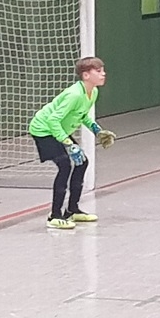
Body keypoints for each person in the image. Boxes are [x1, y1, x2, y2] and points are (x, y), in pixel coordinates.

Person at [28, 57, 116, 230]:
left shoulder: (93, 92)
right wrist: (69, 144)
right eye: (98, 71)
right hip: (44, 130)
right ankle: (54, 216)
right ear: (86, 75)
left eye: (103, 70)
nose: (103, 74)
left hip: (59, 129)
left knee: (82, 162)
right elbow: (53, 120)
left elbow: (81, 114)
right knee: (65, 165)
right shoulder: (74, 95)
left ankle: (72, 210)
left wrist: (97, 130)